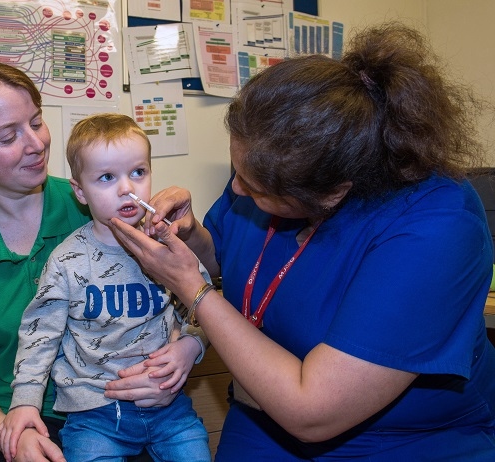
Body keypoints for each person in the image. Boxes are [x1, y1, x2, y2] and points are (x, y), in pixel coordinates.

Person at [106, 23, 495, 460]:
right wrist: (192, 236)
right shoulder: (279, 166)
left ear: (331, 193)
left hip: (400, 439)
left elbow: (314, 412)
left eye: (253, 187)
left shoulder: (436, 226)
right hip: (261, 418)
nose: (236, 192)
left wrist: (192, 290)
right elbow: (225, 258)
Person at [0, 59, 188, 462]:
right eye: (9, 136)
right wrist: (13, 435)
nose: (36, 143)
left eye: (36, 121)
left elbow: (182, 295)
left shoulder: (100, 205)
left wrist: (177, 359)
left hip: (114, 410)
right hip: (10, 420)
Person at [0, 113, 211, 462]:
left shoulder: (169, 248)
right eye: (107, 177)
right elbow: (40, 335)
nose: (126, 188)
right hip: (93, 417)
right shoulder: (66, 261)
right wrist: (24, 401)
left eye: (138, 172)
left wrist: (190, 345)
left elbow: (204, 305)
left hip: (169, 409)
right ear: (80, 191)